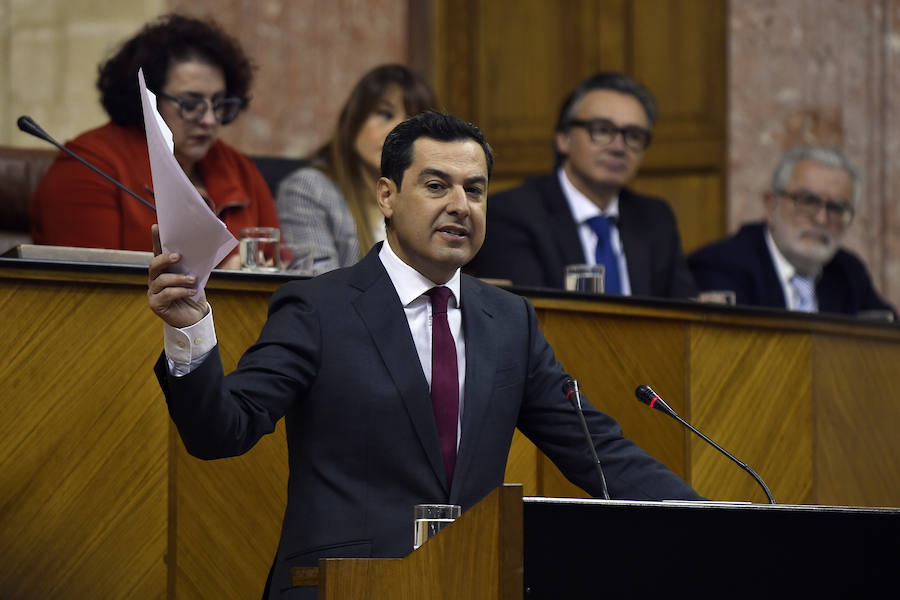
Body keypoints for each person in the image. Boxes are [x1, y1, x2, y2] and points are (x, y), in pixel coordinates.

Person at [148, 112, 701, 599]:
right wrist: (191, 331)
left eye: (476, 190)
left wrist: (715, 522)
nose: (460, 206)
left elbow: (597, 451)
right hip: (343, 586)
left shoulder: (509, 321)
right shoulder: (321, 307)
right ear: (387, 195)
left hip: (470, 582)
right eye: (437, 185)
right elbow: (221, 432)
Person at [30, 13, 281, 269]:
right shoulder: (87, 165)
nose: (209, 119)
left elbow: (283, 270)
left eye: (218, 104)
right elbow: (88, 289)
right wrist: (222, 281)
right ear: (147, 99)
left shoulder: (239, 170)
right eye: (191, 104)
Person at [468, 72, 697, 298]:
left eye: (634, 135)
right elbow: (528, 317)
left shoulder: (655, 218)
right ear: (564, 139)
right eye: (602, 130)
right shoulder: (513, 214)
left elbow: (684, 315)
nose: (618, 147)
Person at [688, 147, 896, 317]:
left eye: (837, 208)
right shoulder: (721, 265)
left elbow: (887, 340)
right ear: (771, 206)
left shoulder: (848, 271)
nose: (821, 219)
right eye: (807, 201)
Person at [275, 64, 437, 273]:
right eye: (385, 114)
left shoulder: (428, 199)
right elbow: (320, 289)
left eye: (411, 121)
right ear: (354, 121)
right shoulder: (309, 188)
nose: (398, 130)